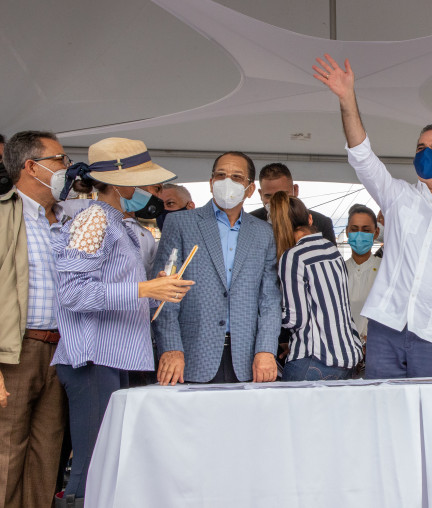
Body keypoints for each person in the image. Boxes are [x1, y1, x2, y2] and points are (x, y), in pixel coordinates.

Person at [314, 54, 432, 378]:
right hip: (386, 326)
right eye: (420, 147)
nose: (427, 153)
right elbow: (362, 156)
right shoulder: (398, 196)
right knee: (384, 406)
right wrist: (347, 99)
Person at [50, 137, 193, 506]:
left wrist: (156, 290)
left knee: (107, 462)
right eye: (141, 180)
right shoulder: (94, 218)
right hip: (94, 357)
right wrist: (145, 289)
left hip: (114, 356)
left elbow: (114, 288)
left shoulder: (119, 223)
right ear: (118, 183)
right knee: (92, 464)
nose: (147, 189)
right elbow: (72, 293)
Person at [153, 151, 281, 385]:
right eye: (221, 175)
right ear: (211, 183)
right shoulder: (180, 223)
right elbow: (164, 293)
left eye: (236, 177)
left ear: (250, 189)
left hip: (248, 360)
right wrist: (171, 348)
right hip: (189, 357)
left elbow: (270, 299)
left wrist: (266, 350)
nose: (227, 182)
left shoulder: (264, 232)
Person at [0, 131, 69, 508]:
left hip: (60, 351)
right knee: (6, 456)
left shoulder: (67, 218)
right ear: (31, 166)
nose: (67, 167)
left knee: (47, 456)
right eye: (59, 160)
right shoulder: (3, 213)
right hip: (14, 353)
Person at [271, 192, 363, 380]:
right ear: (310, 219)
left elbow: (294, 319)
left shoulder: (294, 256)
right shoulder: (333, 251)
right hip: (346, 357)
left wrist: (267, 313)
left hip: (314, 360)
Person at [251, 162, 336, 244]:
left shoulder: (322, 223)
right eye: (269, 196)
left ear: (295, 190)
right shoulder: (249, 222)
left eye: (283, 195)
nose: (276, 201)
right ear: (260, 194)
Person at [344, 204, 382, 343]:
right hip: (345, 347)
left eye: (366, 230)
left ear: (376, 232)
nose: (359, 235)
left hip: (378, 346)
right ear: (347, 232)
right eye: (354, 230)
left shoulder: (385, 270)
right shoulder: (338, 270)